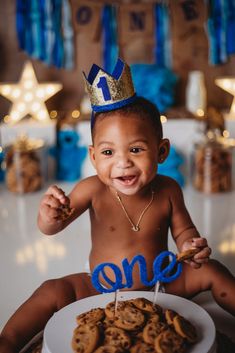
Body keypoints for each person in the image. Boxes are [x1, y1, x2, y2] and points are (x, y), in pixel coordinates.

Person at [1, 59, 235, 353]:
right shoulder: (92, 189)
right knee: (52, 290)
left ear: (161, 151)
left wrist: (192, 246)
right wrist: (49, 214)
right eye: (108, 151)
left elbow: (184, 231)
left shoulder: (168, 189)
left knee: (213, 271)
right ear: (94, 156)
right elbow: (53, 226)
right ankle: (8, 341)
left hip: (162, 284)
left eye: (136, 149)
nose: (123, 162)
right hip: (101, 287)